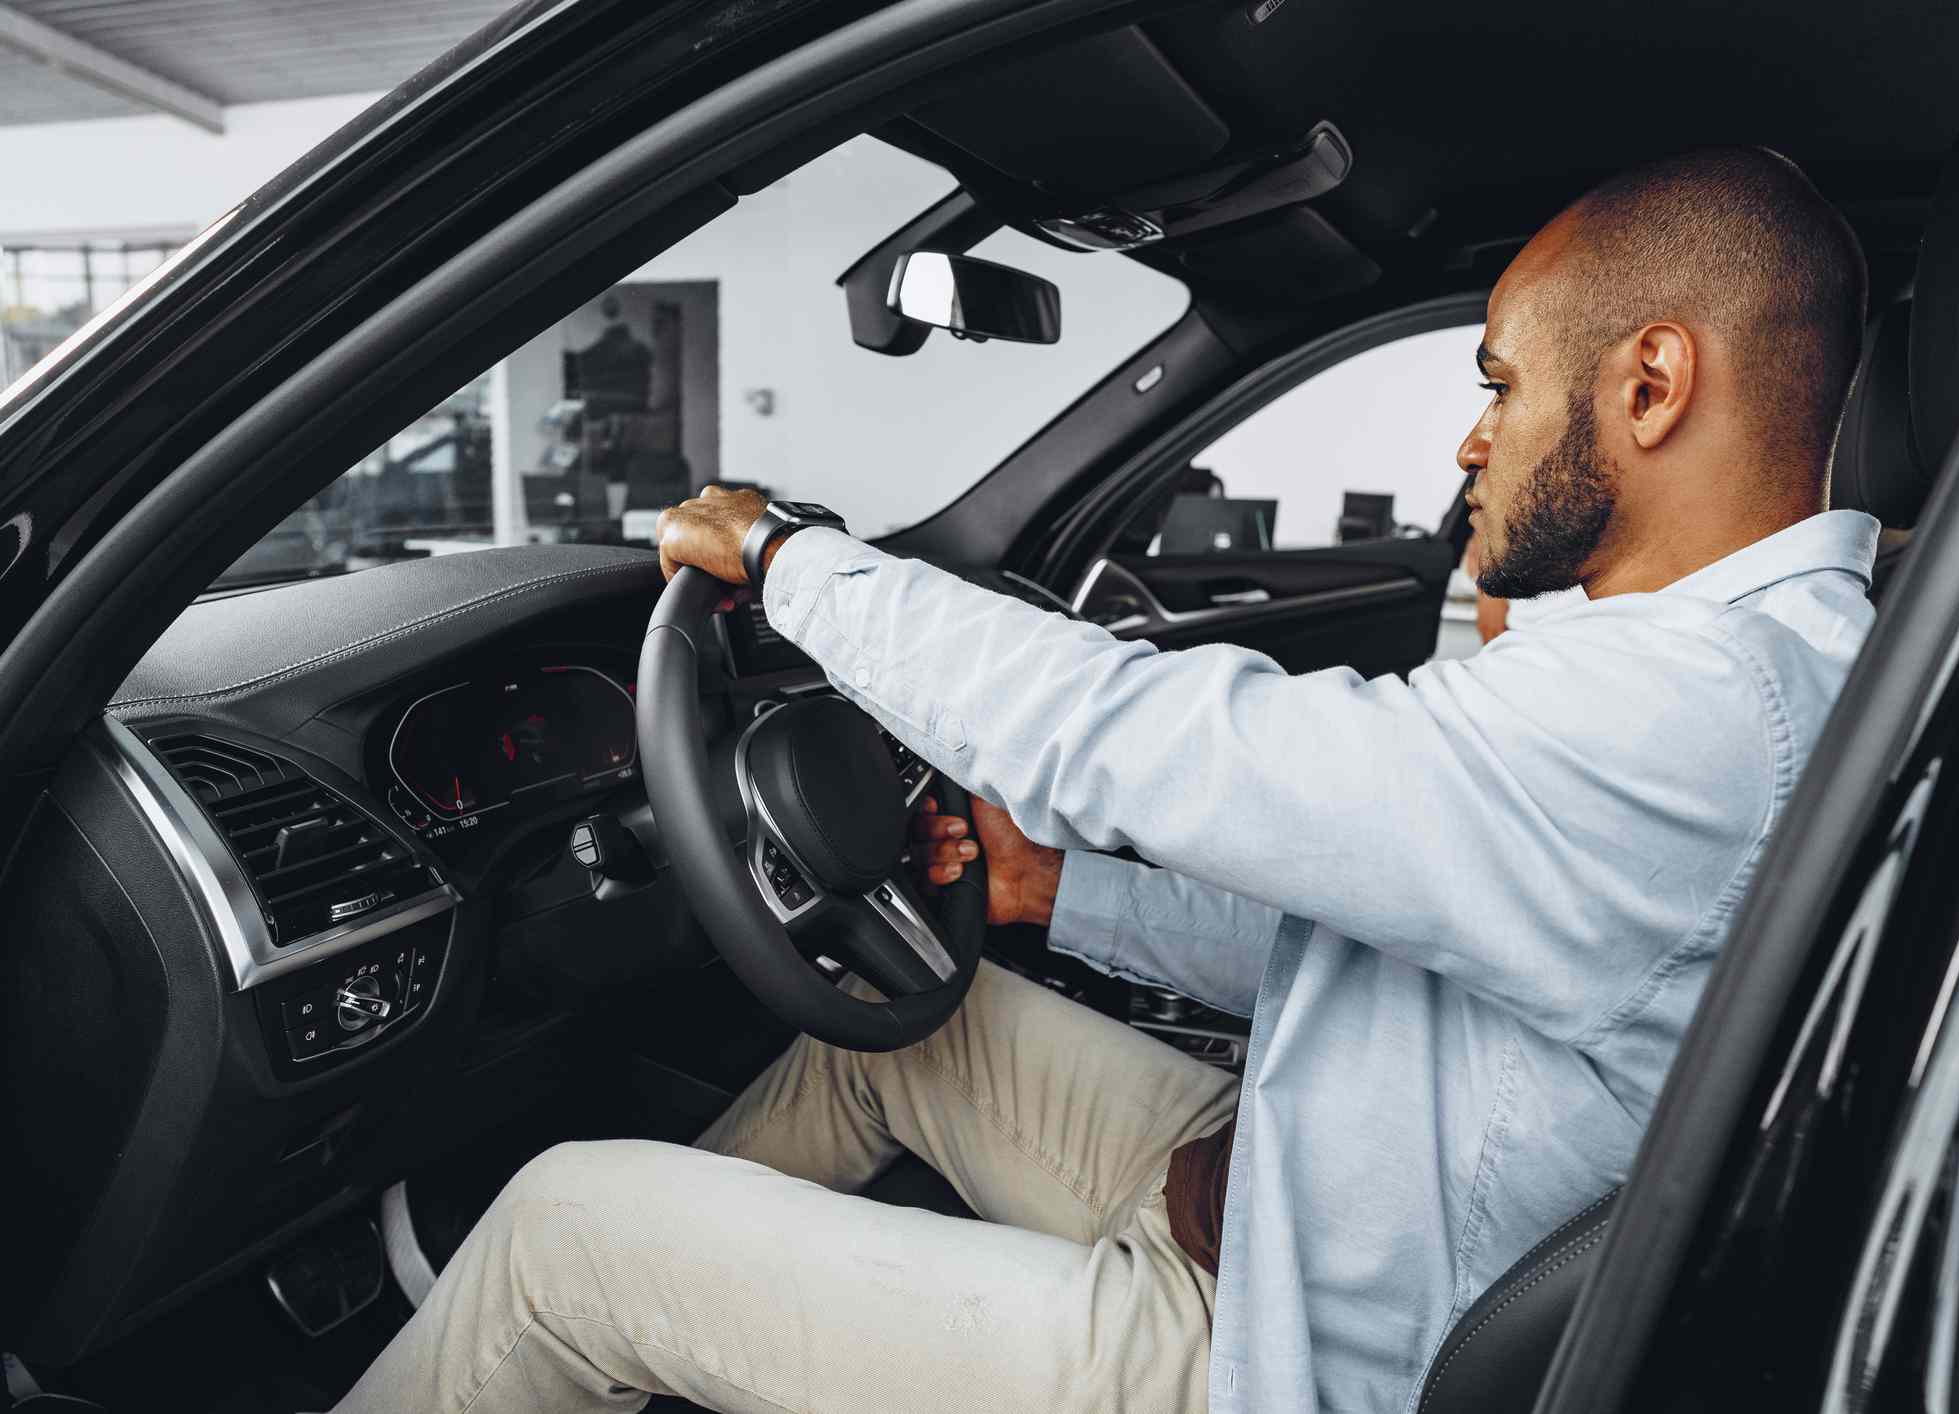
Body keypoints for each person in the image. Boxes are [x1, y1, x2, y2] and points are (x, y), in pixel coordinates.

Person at [334, 147, 1875, 1414]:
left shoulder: (1690, 709)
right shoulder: (1756, 668)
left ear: (1653, 383)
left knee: (564, 1230)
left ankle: (559, 1322)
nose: (1473, 440)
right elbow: (1399, 918)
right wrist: (1054, 889)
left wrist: (789, 561)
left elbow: (1161, 740)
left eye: (1499, 383)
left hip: (1270, 1368)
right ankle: (606, 1366)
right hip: (1275, 1197)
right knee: (909, 1038)